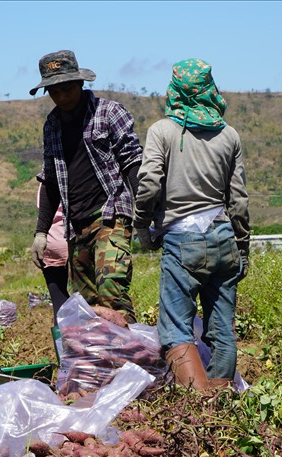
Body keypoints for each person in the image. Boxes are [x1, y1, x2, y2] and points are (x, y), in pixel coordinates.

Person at [133, 58, 250, 391]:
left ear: (174, 89)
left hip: (183, 241)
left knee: (175, 329)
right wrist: (242, 247)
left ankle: (200, 410)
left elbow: (150, 184)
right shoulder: (229, 136)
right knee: (222, 328)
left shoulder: (162, 131)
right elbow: (238, 200)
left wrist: (142, 225)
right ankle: (222, 400)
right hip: (224, 235)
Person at [28, 50, 143, 324]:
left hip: (110, 216)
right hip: (75, 227)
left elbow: (132, 163)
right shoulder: (53, 125)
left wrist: (146, 212)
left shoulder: (108, 113)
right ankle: (101, 364)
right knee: (89, 308)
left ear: (80, 83)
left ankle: (131, 359)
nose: (61, 96)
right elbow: (52, 180)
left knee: (112, 292)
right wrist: (41, 232)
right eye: (54, 91)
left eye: (66, 88)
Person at [35, 183, 69, 321]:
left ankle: (61, 341)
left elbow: (43, 212)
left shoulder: (45, 182)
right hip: (72, 240)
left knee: (59, 303)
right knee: (85, 300)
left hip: (50, 243)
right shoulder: (79, 172)